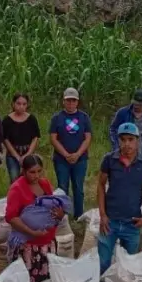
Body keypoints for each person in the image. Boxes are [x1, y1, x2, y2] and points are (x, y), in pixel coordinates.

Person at [96, 123, 142, 274]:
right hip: (110, 222)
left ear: (138, 140)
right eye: (123, 140)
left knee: (129, 264)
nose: (127, 144)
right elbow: (101, 186)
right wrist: (102, 215)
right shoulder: (109, 160)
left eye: (131, 139)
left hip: (132, 223)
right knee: (103, 263)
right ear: (118, 141)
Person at [5, 155, 64, 282]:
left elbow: (53, 205)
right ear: (24, 171)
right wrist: (31, 232)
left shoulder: (44, 184)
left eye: (39, 171)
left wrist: (60, 213)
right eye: (32, 172)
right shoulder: (17, 189)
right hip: (28, 246)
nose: (36, 175)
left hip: (47, 242)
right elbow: (11, 217)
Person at [49, 88, 92, 219]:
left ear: (77, 102)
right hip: (61, 160)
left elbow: (88, 137)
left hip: (80, 159)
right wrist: (66, 154)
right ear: (63, 101)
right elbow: (53, 138)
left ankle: (78, 216)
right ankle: (63, 216)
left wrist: (77, 154)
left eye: (73, 100)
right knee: (63, 188)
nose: (71, 103)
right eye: (68, 100)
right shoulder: (57, 118)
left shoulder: (84, 117)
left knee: (78, 189)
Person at [2, 93, 40, 182]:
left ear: (27, 105)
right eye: (18, 103)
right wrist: (17, 156)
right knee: (14, 179)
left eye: (24, 104)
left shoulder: (31, 119)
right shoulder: (7, 120)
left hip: (28, 153)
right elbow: (5, 139)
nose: (21, 106)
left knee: (30, 179)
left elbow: (35, 137)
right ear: (13, 104)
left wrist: (28, 154)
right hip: (12, 155)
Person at [110, 89, 142, 156]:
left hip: (138, 149)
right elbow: (113, 129)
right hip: (123, 147)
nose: (136, 106)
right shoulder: (123, 112)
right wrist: (116, 147)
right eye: (135, 103)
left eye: (139, 105)